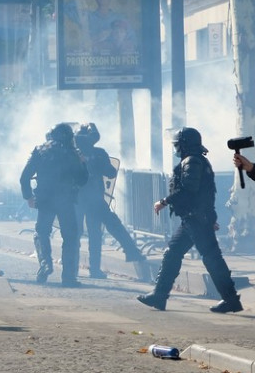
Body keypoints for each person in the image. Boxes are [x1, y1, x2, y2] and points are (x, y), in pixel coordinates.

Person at [138, 128, 243, 313]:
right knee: (173, 254)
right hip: (194, 219)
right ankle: (159, 296)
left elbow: (189, 191)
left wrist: (164, 202)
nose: (176, 148)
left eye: (178, 144)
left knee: (212, 259)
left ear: (185, 144)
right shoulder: (195, 160)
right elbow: (206, 193)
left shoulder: (192, 161)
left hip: (196, 220)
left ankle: (231, 299)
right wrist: (211, 218)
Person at [74, 123, 148, 279]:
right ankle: (87, 269)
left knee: (83, 234)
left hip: (84, 200)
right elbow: (111, 172)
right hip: (86, 200)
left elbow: (110, 172)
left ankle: (77, 269)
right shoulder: (91, 153)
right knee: (88, 234)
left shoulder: (83, 153)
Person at [19, 123, 88, 286]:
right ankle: (69, 277)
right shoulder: (72, 153)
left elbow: (24, 177)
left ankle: (45, 263)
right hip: (66, 200)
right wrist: (82, 162)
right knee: (70, 237)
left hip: (45, 199)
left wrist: (29, 196)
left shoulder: (40, 150)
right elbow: (82, 179)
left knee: (41, 232)